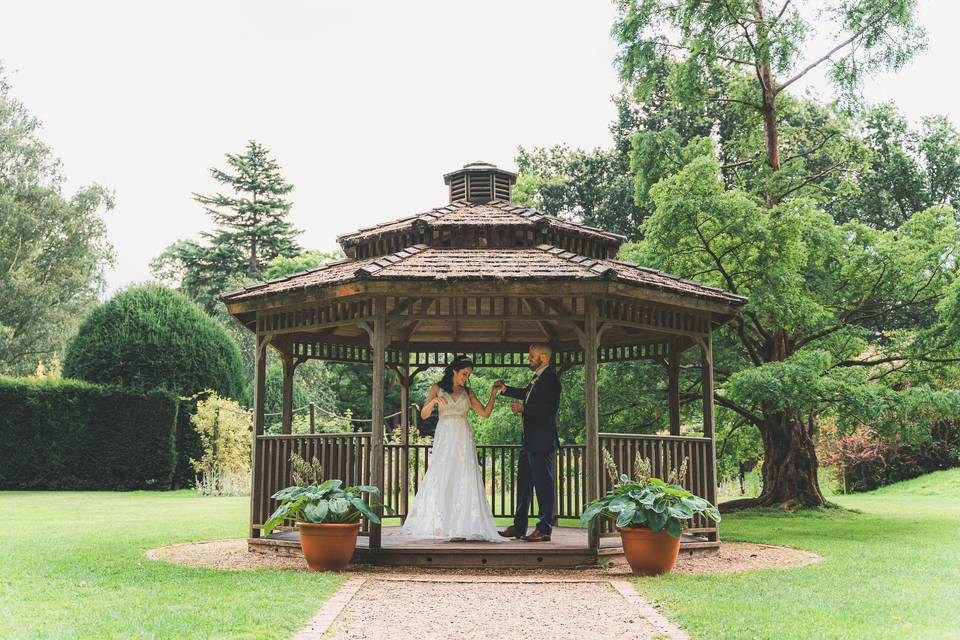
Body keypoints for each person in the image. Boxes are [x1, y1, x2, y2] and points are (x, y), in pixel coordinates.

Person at [399, 356, 506, 542]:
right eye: (464, 373)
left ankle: (460, 527)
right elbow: (423, 415)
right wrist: (434, 402)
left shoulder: (468, 392)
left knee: (464, 479)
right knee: (445, 479)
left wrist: (493, 394)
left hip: (463, 438)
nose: (466, 377)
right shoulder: (437, 388)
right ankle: (447, 526)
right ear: (454, 371)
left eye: (468, 375)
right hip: (445, 437)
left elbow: (485, 414)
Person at [493, 343, 561, 543]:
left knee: (543, 486)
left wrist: (524, 410)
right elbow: (527, 395)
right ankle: (519, 526)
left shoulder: (551, 380)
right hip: (529, 441)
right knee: (523, 486)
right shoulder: (537, 378)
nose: (529, 359)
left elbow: (549, 410)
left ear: (544, 358)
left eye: (532, 356)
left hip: (542, 441)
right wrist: (506, 390)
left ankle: (544, 529)